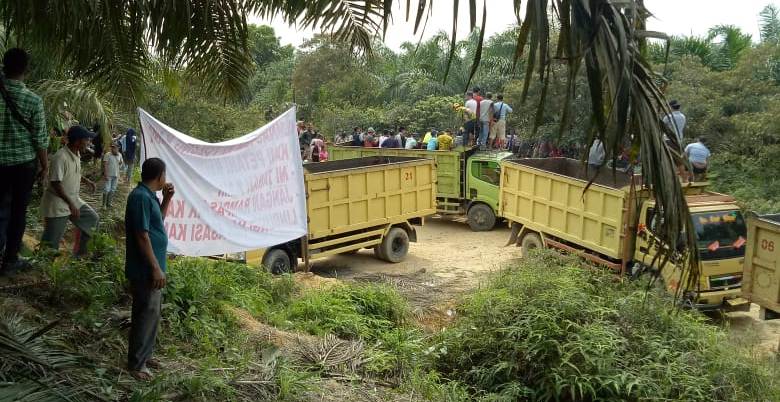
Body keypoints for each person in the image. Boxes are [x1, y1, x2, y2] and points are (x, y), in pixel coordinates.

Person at [125, 158, 175, 381]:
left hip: (153, 268)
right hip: (145, 269)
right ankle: (136, 364)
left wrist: (167, 199)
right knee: (145, 314)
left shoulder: (150, 196)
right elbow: (142, 235)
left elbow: (157, 222)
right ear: (160, 176)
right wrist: (155, 268)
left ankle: (145, 355)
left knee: (152, 313)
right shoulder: (140, 198)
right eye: (165, 174)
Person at [0, 48, 49, 274]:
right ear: (26, 70)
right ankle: (10, 260)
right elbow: (40, 139)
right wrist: (45, 166)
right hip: (23, 166)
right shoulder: (33, 100)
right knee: (18, 212)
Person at [40, 126, 99, 255]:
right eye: (86, 139)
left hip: (73, 199)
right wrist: (71, 204)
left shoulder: (76, 153)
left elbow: (73, 172)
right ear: (77, 141)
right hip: (58, 204)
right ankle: (41, 264)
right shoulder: (60, 157)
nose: (88, 142)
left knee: (92, 219)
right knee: (50, 244)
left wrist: (86, 181)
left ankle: (80, 256)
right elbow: (55, 183)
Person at [102, 143, 124, 208]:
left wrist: (121, 163)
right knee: (106, 189)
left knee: (113, 189)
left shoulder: (120, 155)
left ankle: (109, 203)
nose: (113, 149)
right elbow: (105, 164)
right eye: (112, 147)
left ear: (118, 148)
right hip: (108, 174)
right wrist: (105, 174)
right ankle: (104, 205)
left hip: (116, 175)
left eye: (115, 148)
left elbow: (121, 163)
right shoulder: (107, 154)